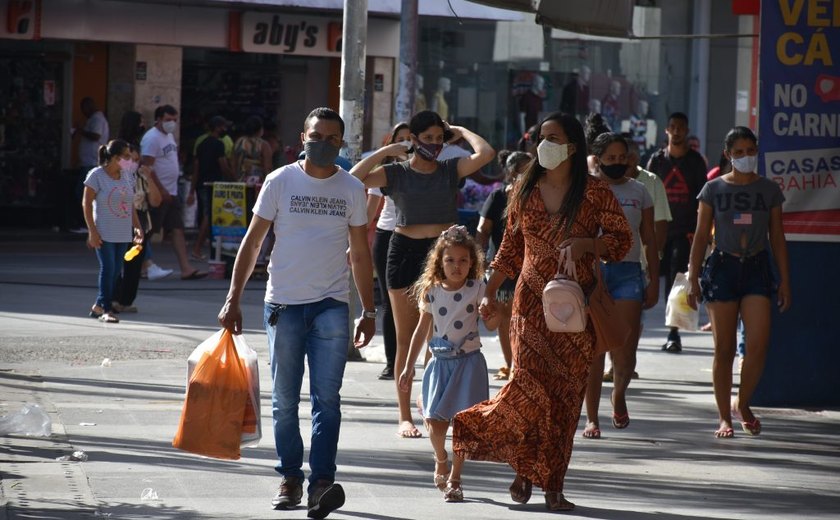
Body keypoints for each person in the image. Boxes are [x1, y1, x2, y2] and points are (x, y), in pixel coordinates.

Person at [452, 112, 631, 511]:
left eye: (552, 137)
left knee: (566, 397)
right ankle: (522, 467)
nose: (543, 144)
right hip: (530, 304)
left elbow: (621, 241)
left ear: (572, 145)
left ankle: (553, 483)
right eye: (540, 138)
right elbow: (511, 248)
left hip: (576, 308)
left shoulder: (596, 193)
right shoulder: (523, 190)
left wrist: (589, 246)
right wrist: (488, 291)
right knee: (528, 389)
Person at [217, 107, 376, 518]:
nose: (323, 144)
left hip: (331, 306)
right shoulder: (280, 180)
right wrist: (233, 297)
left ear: (341, 145)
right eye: (316, 135)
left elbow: (359, 253)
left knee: (328, 400)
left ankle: (322, 482)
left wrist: (369, 310)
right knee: (285, 401)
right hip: (284, 304)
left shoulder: (351, 188)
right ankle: (289, 477)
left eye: (332, 139)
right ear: (302, 137)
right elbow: (253, 244)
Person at [351, 110, 495, 439]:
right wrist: (386, 151)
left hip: (442, 256)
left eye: (438, 138)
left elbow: (486, 154)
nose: (433, 144)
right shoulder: (395, 172)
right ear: (413, 140)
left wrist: (459, 129)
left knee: (437, 338)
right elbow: (353, 179)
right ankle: (404, 416)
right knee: (406, 337)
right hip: (403, 251)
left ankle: (433, 406)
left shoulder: (449, 169)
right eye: (426, 138)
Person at [686, 126, 790, 438]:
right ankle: (724, 417)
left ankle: (742, 403)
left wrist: (785, 280)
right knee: (725, 349)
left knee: (758, 344)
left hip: (757, 266)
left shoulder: (769, 190)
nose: (746, 157)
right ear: (729, 155)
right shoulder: (713, 189)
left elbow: (778, 237)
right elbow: (702, 235)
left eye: (751, 151)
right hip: (722, 267)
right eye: (740, 152)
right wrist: (692, 277)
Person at [398, 225, 499, 503]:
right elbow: (421, 330)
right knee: (433, 420)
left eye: (463, 260)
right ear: (440, 262)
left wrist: (491, 313)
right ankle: (441, 458)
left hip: (468, 364)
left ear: (472, 262)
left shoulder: (478, 288)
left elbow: (492, 323)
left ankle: (455, 477)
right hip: (440, 363)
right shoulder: (431, 291)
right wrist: (409, 366)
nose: (457, 266)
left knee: (464, 425)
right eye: (450, 260)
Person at [582, 132, 658, 439]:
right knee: (595, 349)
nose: (615, 163)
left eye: (620, 158)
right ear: (597, 161)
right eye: (609, 158)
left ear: (628, 159)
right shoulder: (586, 191)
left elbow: (650, 239)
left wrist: (653, 281)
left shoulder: (640, 191)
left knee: (625, 349)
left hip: (628, 273)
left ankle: (619, 393)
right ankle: (591, 418)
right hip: (594, 273)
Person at [646, 112, 707, 353]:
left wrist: (698, 230)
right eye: (673, 126)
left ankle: (674, 332)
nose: (677, 131)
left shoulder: (695, 162)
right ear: (666, 130)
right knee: (651, 277)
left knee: (676, 278)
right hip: (659, 229)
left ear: (687, 129)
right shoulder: (657, 161)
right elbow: (647, 194)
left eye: (681, 127)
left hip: (684, 231)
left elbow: (703, 199)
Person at [475, 151, 532, 381]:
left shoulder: (536, 196)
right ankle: (511, 365)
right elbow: (482, 230)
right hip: (502, 265)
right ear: (511, 173)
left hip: (530, 265)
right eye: (523, 170)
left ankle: (522, 365)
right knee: (504, 318)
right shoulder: (498, 197)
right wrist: (480, 259)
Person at [365, 122, 411, 380]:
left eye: (409, 139)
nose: (405, 144)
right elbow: (370, 213)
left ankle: (414, 360)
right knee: (389, 302)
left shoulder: (425, 168)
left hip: (417, 239)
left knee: (418, 303)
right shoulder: (383, 172)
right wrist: (355, 243)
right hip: (386, 237)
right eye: (399, 139)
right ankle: (392, 362)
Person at [140, 104, 207, 280]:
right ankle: (139, 265)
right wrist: (160, 190)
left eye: (175, 120)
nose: (172, 123)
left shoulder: (168, 136)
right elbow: (146, 167)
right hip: (158, 193)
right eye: (168, 120)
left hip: (172, 191)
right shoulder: (151, 138)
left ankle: (186, 268)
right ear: (159, 119)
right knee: (148, 231)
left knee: (177, 229)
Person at [82, 139, 143, 324]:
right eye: (125, 156)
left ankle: (98, 305)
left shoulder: (127, 176)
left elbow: (130, 205)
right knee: (108, 269)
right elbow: (86, 203)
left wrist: (138, 227)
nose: (129, 160)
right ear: (115, 157)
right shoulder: (96, 175)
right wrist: (92, 231)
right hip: (104, 230)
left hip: (122, 231)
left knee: (116, 271)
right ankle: (106, 309)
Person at [117, 110, 173, 281]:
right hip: (127, 197)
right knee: (136, 233)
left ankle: (144, 264)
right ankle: (146, 264)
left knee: (140, 232)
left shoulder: (136, 143)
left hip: (138, 197)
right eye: (140, 122)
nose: (143, 125)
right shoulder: (123, 145)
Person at [113, 144, 162, 314]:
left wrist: (149, 178)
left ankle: (126, 300)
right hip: (116, 221)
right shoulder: (112, 176)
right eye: (128, 159)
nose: (132, 163)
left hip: (138, 224)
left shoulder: (141, 178)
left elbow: (156, 201)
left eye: (135, 160)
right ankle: (113, 298)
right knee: (114, 262)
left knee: (133, 264)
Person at [189, 116, 234, 261]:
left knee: (207, 215)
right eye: (223, 127)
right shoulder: (219, 145)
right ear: (217, 128)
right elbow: (223, 166)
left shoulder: (202, 144)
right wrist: (234, 179)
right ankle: (197, 248)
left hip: (202, 184)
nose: (225, 130)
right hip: (214, 184)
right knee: (210, 216)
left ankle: (204, 247)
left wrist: (192, 189)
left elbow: (196, 167)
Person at [73, 97, 110, 232]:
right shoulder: (92, 119)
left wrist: (80, 130)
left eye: (83, 108)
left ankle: (88, 224)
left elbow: (96, 136)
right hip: (87, 162)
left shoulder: (97, 119)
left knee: (84, 193)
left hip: (92, 163)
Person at [233, 115, 272, 187]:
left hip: (240, 182)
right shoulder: (263, 145)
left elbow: (233, 164)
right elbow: (268, 167)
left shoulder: (239, 142)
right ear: (260, 129)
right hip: (257, 184)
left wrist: (236, 178)